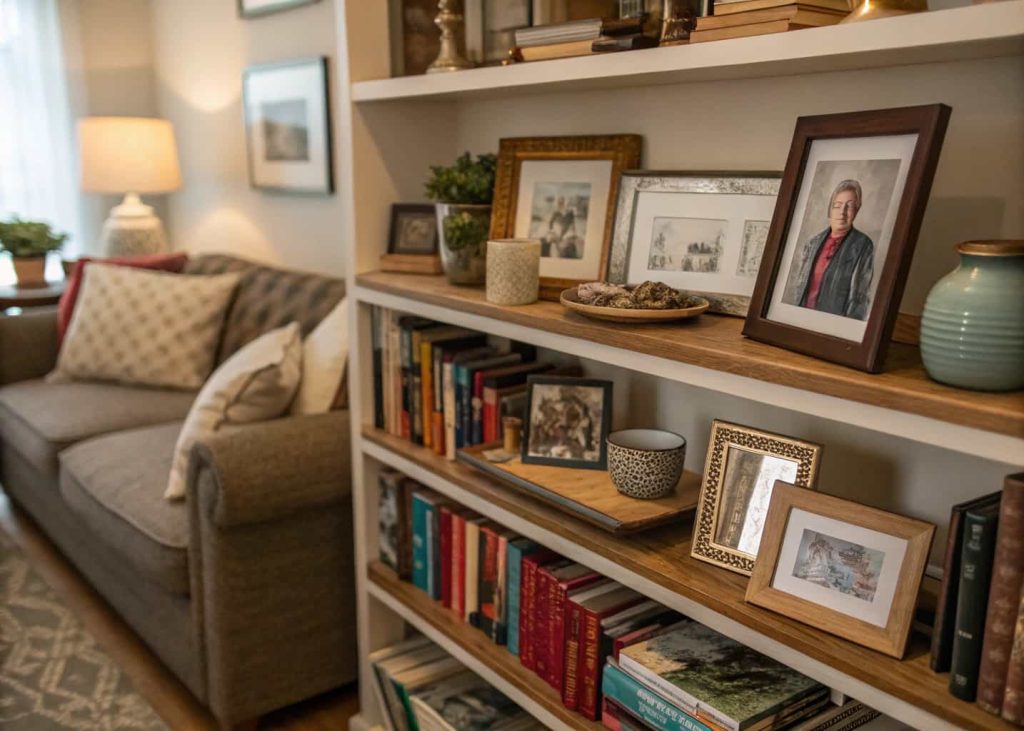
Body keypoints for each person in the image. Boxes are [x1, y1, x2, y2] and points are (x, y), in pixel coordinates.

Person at [789, 179, 874, 320]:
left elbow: (860, 297)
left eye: (850, 206)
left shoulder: (863, 245)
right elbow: (800, 287)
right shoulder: (813, 243)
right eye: (837, 206)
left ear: (857, 209)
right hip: (802, 319)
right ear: (830, 209)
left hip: (831, 324)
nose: (843, 212)